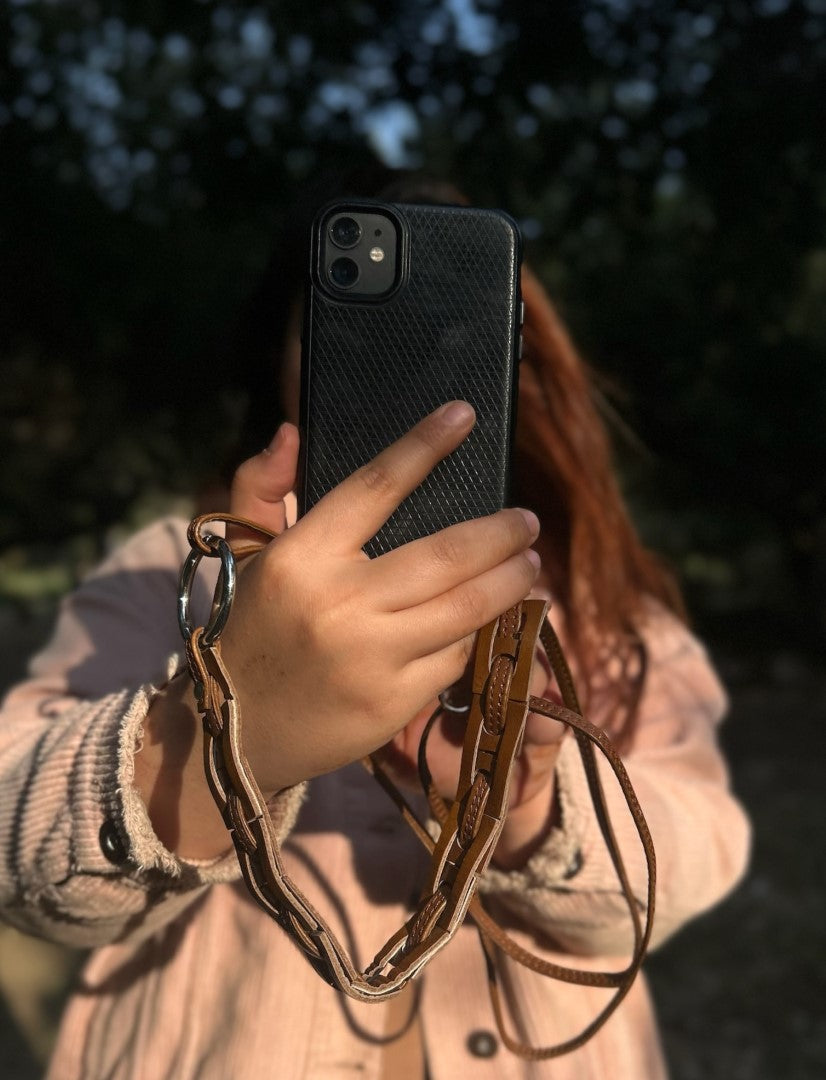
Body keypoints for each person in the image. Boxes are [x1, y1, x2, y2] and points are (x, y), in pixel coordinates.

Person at [0, 169, 750, 1080]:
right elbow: (16, 853)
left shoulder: (595, 594)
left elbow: (699, 854)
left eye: (453, 326)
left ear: (519, 359)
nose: (410, 357)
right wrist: (225, 730)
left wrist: (527, 805)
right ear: (278, 353)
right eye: (347, 319)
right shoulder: (173, 567)